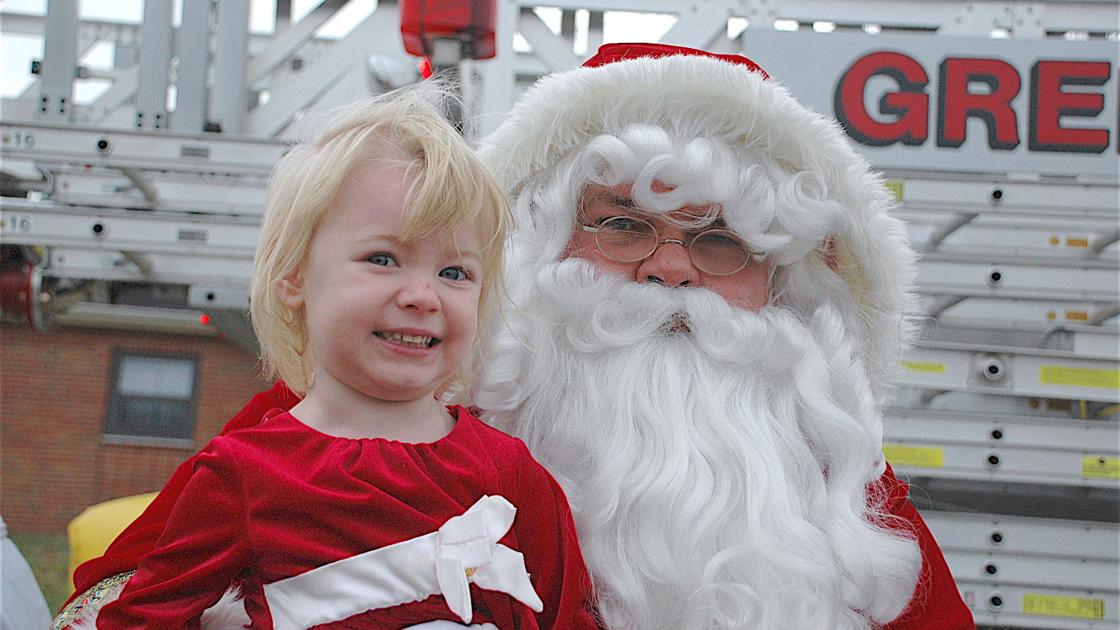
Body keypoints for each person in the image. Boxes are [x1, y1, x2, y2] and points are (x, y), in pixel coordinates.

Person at [58, 43, 974, 630]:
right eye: (624, 226)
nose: (670, 272)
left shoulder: (837, 484)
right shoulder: (370, 414)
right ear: (539, 243)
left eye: (720, 241)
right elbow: (107, 601)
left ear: (781, 281)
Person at [82, 85, 598, 629]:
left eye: (454, 272)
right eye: (383, 258)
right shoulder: (245, 473)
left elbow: (570, 619)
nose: (423, 296)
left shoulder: (510, 469)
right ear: (294, 276)